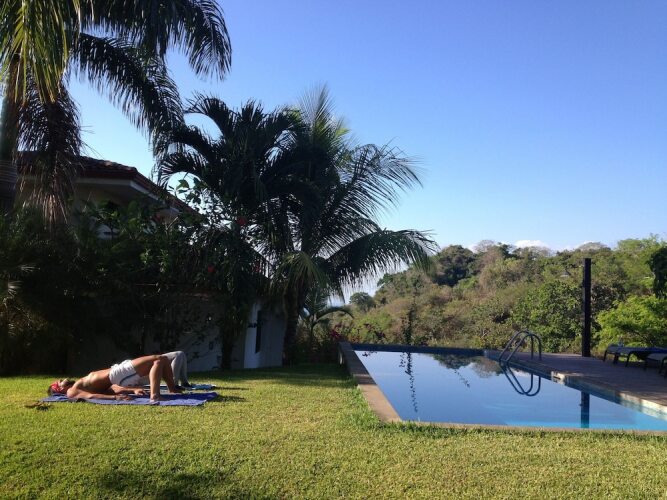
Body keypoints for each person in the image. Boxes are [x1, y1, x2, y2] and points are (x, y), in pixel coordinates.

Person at [47, 354, 182, 402]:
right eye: (60, 382)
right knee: (158, 360)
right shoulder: (71, 392)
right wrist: (115, 398)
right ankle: (155, 396)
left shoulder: (79, 385)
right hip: (117, 374)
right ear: (59, 389)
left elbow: (111, 388)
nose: (63, 380)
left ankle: (172, 389)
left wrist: (133, 390)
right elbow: (90, 397)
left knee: (163, 359)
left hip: (117, 374)